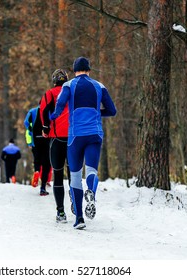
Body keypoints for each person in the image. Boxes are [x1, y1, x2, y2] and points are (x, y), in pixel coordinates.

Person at [50, 57, 117, 229]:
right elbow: (112, 110)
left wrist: (54, 116)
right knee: (92, 170)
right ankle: (92, 194)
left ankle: (79, 218)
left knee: (76, 176)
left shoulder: (68, 85)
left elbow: (61, 103)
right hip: (95, 133)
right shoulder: (99, 86)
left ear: (74, 70)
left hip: (75, 136)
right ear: (89, 69)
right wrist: (96, 114)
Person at [40, 69, 71, 223]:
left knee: (58, 175)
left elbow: (44, 111)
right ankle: (77, 208)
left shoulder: (50, 93)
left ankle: (61, 212)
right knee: (74, 174)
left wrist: (45, 128)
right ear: (66, 79)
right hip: (73, 138)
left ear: (54, 81)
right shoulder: (73, 91)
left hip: (57, 138)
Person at [23, 106, 51, 196]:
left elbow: (26, 122)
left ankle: (37, 171)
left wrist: (31, 129)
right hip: (47, 139)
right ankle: (43, 188)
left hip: (35, 140)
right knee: (46, 164)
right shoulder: (50, 110)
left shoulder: (32, 111)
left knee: (37, 159)